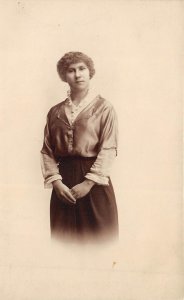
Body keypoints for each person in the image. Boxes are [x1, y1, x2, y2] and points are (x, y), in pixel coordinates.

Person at [41, 51, 119, 243]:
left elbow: (108, 148)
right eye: (71, 70)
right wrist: (57, 183)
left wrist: (88, 183)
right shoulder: (55, 112)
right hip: (63, 183)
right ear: (64, 76)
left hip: (94, 182)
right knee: (64, 240)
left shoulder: (104, 108)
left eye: (82, 68)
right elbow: (47, 150)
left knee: (99, 240)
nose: (77, 74)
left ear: (89, 71)